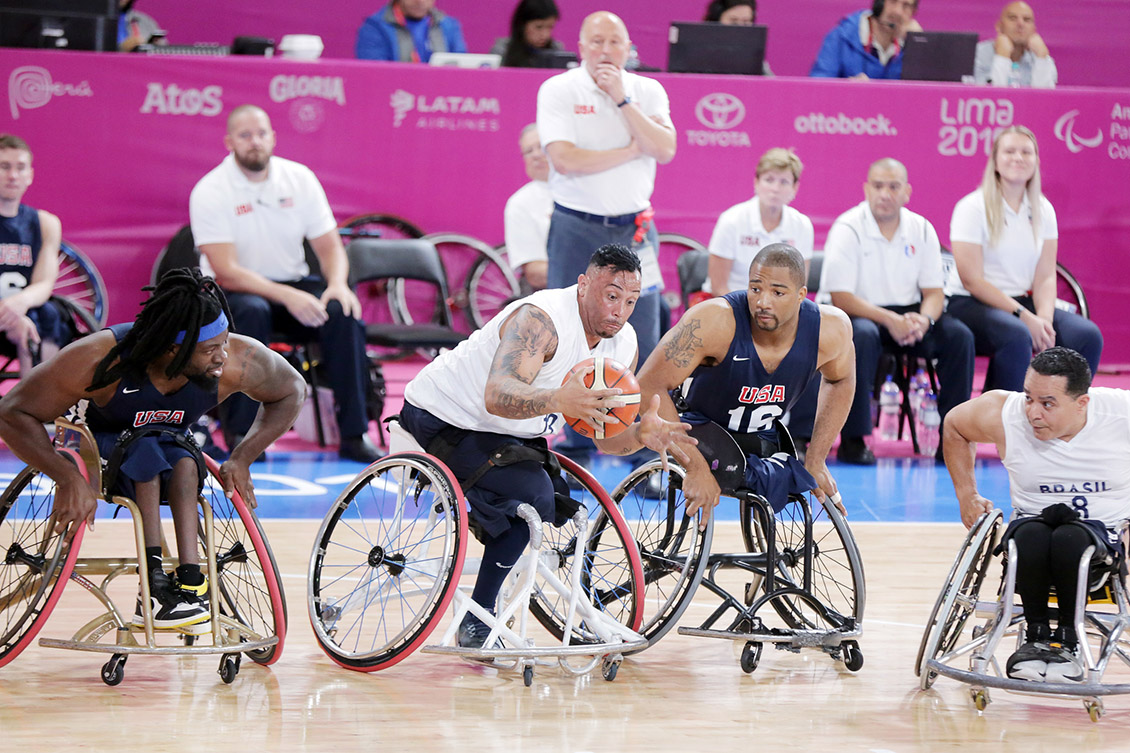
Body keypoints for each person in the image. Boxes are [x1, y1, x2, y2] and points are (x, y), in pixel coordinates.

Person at [400, 244, 695, 648]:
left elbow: (605, 438)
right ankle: (476, 620)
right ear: (583, 285)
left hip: (508, 433)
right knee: (530, 498)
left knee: (551, 494)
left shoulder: (622, 344)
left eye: (630, 301)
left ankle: (492, 532)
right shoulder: (541, 319)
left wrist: (640, 436)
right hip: (444, 415)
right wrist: (559, 399)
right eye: (611, 296)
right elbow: (497, 393)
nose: (620, 311)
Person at [0, 269, 306, 632]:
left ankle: (190, 580)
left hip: (168, 446)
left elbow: (292, 389)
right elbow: (12, 412)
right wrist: (65, 476)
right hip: (95, 442)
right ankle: (154, 585)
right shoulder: (100, 358)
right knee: (147, 450)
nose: (222, 357)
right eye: (211, 349)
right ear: (173, 350)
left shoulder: (236, 360)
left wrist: (243, 456)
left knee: (183, 460)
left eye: (224, 343)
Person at [189, 104, 381, 463]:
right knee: (252, 311)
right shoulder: (211, 189)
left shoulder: (299, 178)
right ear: (230, 142)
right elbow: (225, 269)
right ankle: (245, 437)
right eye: (245, 136)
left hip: (291, 283)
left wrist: (337, 284)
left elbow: (329, 247)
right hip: (235, 291)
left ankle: (355, 433)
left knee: (343, 312)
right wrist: (288, 295)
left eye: (261, 134)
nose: (255, 142)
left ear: (273, 138)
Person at [536, 11, 676, 467]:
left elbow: (665, 148)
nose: (604, 50)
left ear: (628, 47)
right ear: (580, 46)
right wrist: (630, 150)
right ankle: (573, 445)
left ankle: (641, 446)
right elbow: (565, 158)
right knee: (571, 329)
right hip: (577, 225)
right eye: (596, 41)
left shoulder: (647, 90)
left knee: (645, 334)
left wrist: (621, 100)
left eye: (614, 42)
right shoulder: (559, 89)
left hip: (635, 227)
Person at [944, 347, 1129, 683]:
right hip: (1032, 527)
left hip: (1102, 536)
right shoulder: (1004, 413)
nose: (1033, 412)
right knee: (1028, 536)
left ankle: (1068, 641)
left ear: (1081, 403)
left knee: (1072, 539)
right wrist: (966, 495)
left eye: (1047, 403)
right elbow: (955, 426)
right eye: (1029, 397)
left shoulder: (1121, 414)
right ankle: (1036, 637)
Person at [636, 243, 855, 522]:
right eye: (755, 289)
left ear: (801, 295)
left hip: (761, 435)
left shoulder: (831, 329)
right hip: (699, 430)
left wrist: (817, 459)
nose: (763, 301)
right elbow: (647, 385)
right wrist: (695, 466)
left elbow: (841, 380)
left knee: (793, 482)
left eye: (777, 292)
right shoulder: (713, 321)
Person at [811, 158, 974, 464]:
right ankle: (853, 439)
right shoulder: (848, 227)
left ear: (907, 192)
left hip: (909, 314)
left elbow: (934, 293)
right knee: (861, 335)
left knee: (959, 337)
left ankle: (952, 438)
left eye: (893, 187)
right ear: (866, 189)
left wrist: (923, 320)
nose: (885, 193)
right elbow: (842, 297)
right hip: (859, 313)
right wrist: (891, 320)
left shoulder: (921, 228)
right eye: (878, 186)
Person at [947, 126, 1102, 394]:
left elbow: (1045, 275)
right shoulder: (971, 207)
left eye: (1026, 152)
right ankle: (1004, 425)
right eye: (1009, 151)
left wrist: (1043, 318)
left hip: (1024, 303)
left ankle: (1058, 417)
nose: (1018, 157)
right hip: (971, 303)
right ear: (995, 161)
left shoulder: (1043, 209)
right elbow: (971, 280)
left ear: (1036, 161)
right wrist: (1024, 317)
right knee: (1016, 333)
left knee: (1087, 336)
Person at [0, 134, 67, 376]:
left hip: (22, 310)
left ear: (30, 175)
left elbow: (44, 283)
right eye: (4, 166)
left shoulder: (46, 223)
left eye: (20, 167)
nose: (13, 175)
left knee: (48, 314)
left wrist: (19, 304)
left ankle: (37, 404)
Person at [706, 147, 812, 296]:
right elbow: (718, 288)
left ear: (795, 187)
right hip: (731, 303)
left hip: (777, 309)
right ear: (756, 182)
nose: (775, 188)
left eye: (784, 182)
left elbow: (797, 287)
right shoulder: (731, 221)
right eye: (769, 180)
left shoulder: (802, 226)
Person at [810, 0, 922, 80]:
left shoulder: (913, 45)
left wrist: (919, 45)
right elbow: (818, 86)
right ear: (879, 3)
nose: (897, 11)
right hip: (849, 112)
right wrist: (846, 89)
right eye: (893, 1)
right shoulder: (841, 36)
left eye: (906, 5)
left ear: (914, 11)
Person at [504, 124, 553, 292]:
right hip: (549, 297)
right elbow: (535, 274)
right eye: (528, 151)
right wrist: (595, 272)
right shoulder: (521, 203)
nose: (536, 155)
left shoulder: (588, 192)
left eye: (541, 146)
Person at [973, 2, 1057, 89]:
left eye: (1026, 20)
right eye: (1012, 18)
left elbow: (1044, 99)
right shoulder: (976, 55)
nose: (1020, 24)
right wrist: (1002, 56)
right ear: (999, 26)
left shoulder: (1043, 60)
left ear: (1033, 30)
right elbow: (989, 98)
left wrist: (1041, 57)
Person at [356, 0, 467, 62]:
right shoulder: (374, 28)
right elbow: (375, 74)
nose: (419, 1)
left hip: (438, 97)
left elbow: (461, 68)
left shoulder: (449, 26)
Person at [702, 0, 773, 75]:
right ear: (716, 21)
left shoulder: (754, 59)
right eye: (733, 21)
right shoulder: (699, 54)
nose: (740, 27)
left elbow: (771, 83)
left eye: (745, 22)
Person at [492, 0, 562, 68]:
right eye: (538, 27)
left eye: (550, 27)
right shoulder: (503, 51)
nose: (545, 34)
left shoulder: (558, 52)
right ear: (522, 25)